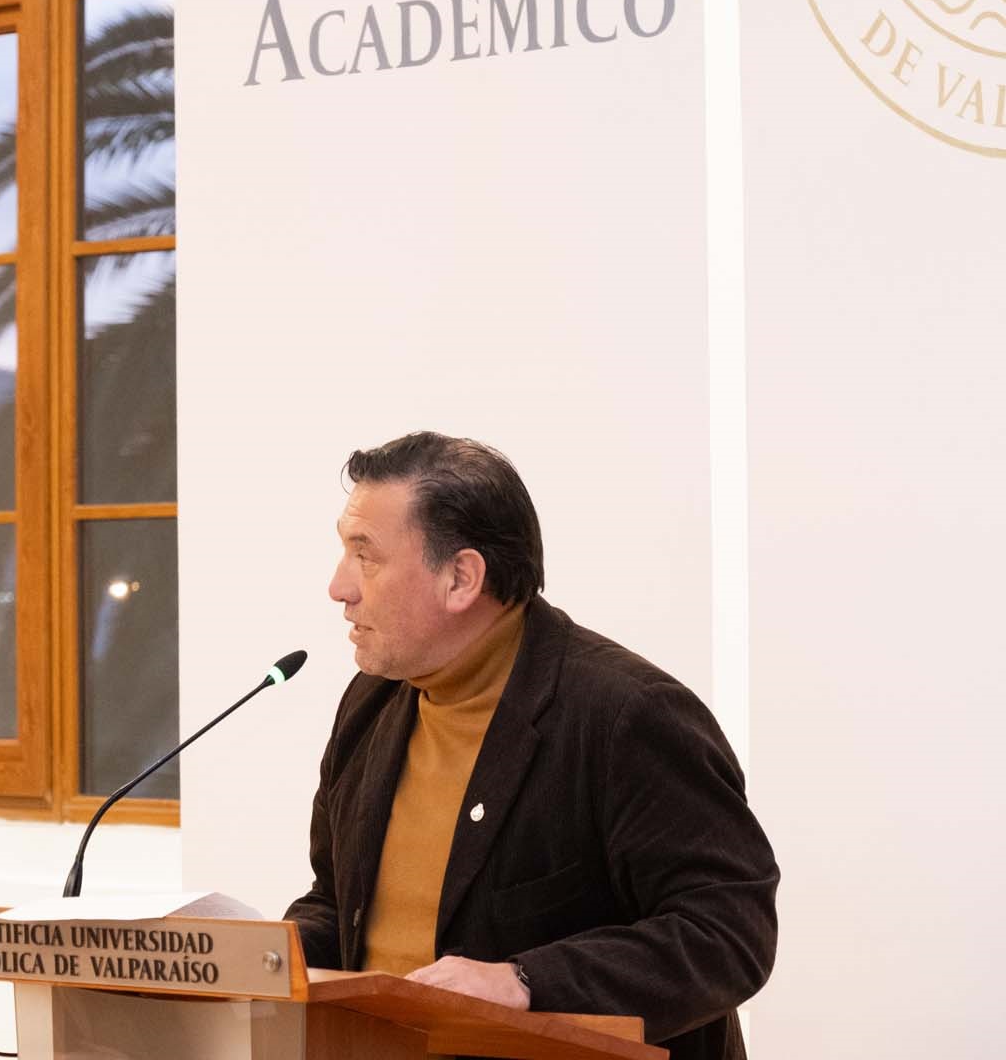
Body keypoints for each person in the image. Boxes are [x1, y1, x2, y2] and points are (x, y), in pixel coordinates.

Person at [285, 433, 777, 1060]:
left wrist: (525, 981)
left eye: (366, 556)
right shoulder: (372, 702)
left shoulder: (625, 714)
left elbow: (728, 933)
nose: (339, 586)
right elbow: (338, 900)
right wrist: (259, 957)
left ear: (461, 578)